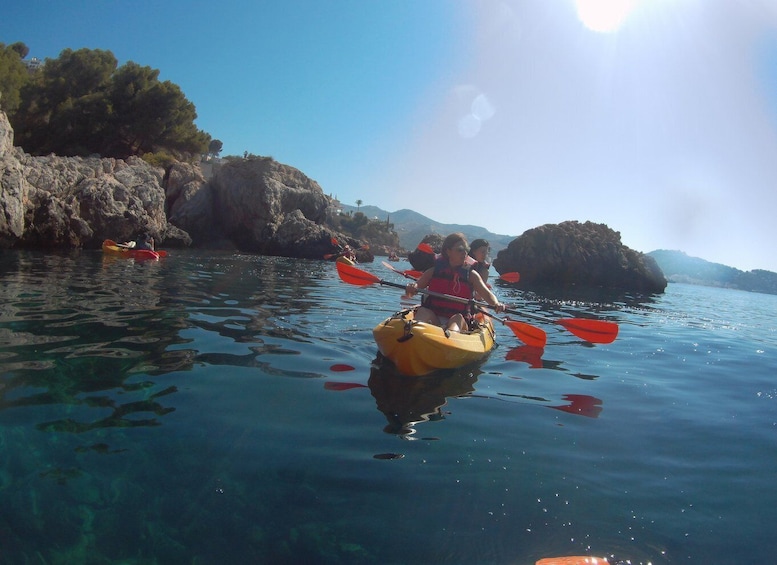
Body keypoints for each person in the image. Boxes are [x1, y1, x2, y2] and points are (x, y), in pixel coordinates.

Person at [404, 233, 505, 333]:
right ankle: (412, 333)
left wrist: (496, 303)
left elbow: (486, 294)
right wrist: (412, 287)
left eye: (466, 250)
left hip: (458, 321)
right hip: (434, 318)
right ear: (448, 251)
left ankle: (450, 337)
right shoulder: (434, 271)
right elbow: (415, 289)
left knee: (457, 318)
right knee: (423, 311)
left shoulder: (471, 275)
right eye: (460, 249)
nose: (464, 253)